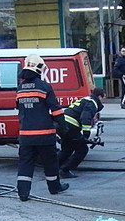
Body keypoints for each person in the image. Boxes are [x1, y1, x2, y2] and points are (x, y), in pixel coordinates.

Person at [15, 53, 67, 201]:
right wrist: (63, 128)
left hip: (25, 135)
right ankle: (54, 187)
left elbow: (20, 110)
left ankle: (23, 193)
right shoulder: (44, 87)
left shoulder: (20, 89)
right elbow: (56, 110)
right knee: (50, 162)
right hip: (45, 134)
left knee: (25, 163)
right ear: (39, 69)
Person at [59, 87, 105, 179]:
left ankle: (52, 169)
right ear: (99, 96)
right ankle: (65, 170)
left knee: (67, 149)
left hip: (63, 124)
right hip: (71, 126)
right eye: (104, 97)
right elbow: (85, 118)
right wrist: (85, 135)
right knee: (82, 150)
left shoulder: (86, 99)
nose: (104, 100)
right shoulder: (92, 103)